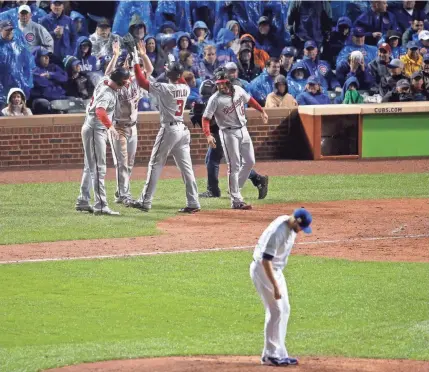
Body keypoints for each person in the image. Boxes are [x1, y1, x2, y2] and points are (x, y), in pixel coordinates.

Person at [130, 58, 201, 214]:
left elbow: (141, 82)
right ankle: (193, 201)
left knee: (155, 164)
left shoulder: (166, 88)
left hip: (169, 130)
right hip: (182, 129)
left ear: (168, 73)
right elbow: (180, 77)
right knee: (186, 168)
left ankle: (145, 201)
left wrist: (136, 61)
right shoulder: (185, 88)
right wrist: (174, 65)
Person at [250, 208, 313, 367]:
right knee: (275, 310)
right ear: (295, 222)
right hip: (263, 270)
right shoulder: (279, 232)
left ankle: (279, 353)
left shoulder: (289, 223)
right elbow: (266, 261)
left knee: (285, 308)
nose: (300, 231)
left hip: (275, 270)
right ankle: (270, 355)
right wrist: (275, 287)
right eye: (301, 227)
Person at [191, 77, 269, 200]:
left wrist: (261, 110)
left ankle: (254, 180)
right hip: (226, 132)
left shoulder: (237, 90)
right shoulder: (213, 99)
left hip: (238, 129)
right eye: (218, 84)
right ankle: (225, 191)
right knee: (223, 162)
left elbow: (249, 100)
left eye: (224, 83)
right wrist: (208, 134)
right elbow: (205, 119)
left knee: (244, 162)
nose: (221, 87)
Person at [75, 67, 130, 215]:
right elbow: (100, 110)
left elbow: (108, 72)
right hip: (95, 130)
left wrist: (116, 56)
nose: (126, 84)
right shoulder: (107, 93)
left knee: (89, 166)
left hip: (92, 128)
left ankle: (83, 200)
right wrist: (110, 127)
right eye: (124, 82)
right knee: (99, 168)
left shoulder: (105, 80)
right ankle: (100, 205)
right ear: (118, 81)